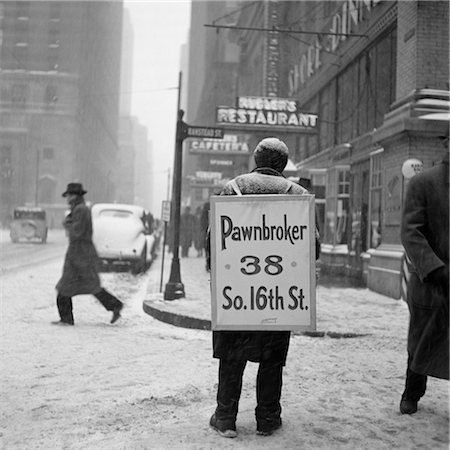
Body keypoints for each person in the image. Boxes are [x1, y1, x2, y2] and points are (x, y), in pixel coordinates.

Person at [209, 137, 320, 438]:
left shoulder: (232, 189)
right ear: (283, 165)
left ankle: (225, 418)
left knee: (232, 359)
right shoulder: (298, 194)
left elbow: (213, 240)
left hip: (238, 296)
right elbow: (313, 247)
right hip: (277, 296)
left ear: (256, 160)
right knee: (271, 362)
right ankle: (267, 419)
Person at [399, 140, 449, 414]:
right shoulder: (424, 183)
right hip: (432, 282)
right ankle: (412, 393)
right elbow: (410, 232)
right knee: (421, 341)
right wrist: (436, 269)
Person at [52, 182, 124, 326]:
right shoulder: (79, 209)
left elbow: (76, 232)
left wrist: (67, 223)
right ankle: (114, 305)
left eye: (70, 195)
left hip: (80, 254)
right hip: (80, 253)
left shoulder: (80, 210)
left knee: (66, 287)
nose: (67, 198)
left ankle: (67, 319)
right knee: (90, 286)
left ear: (76, 196)